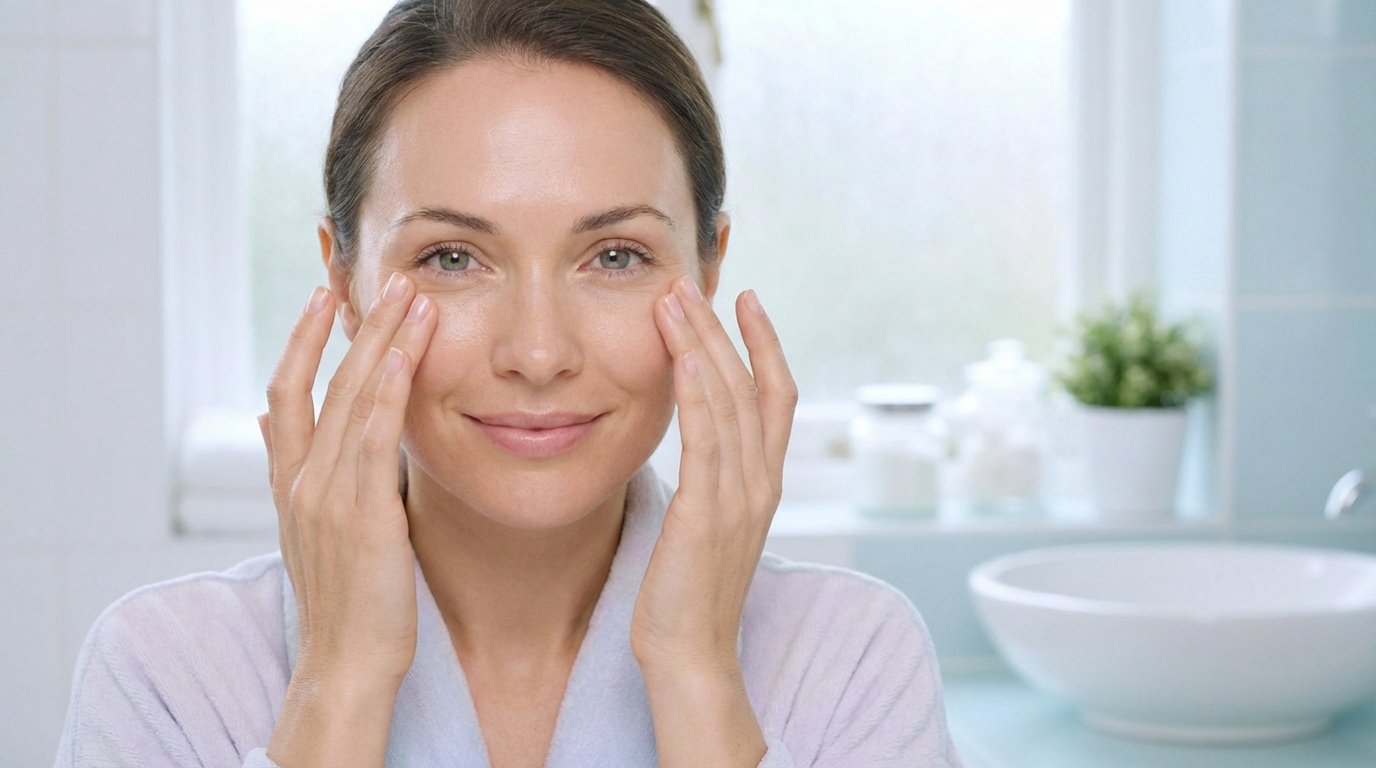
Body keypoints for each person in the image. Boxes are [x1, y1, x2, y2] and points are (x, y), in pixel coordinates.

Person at [55, 1, 963, 766]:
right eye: (453, 258)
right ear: (343, 281)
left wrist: (696, 675)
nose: (537, 352)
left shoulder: (851, 659)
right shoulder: (165, 675)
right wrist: (340, 682)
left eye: (616, 255)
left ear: (708, 265)